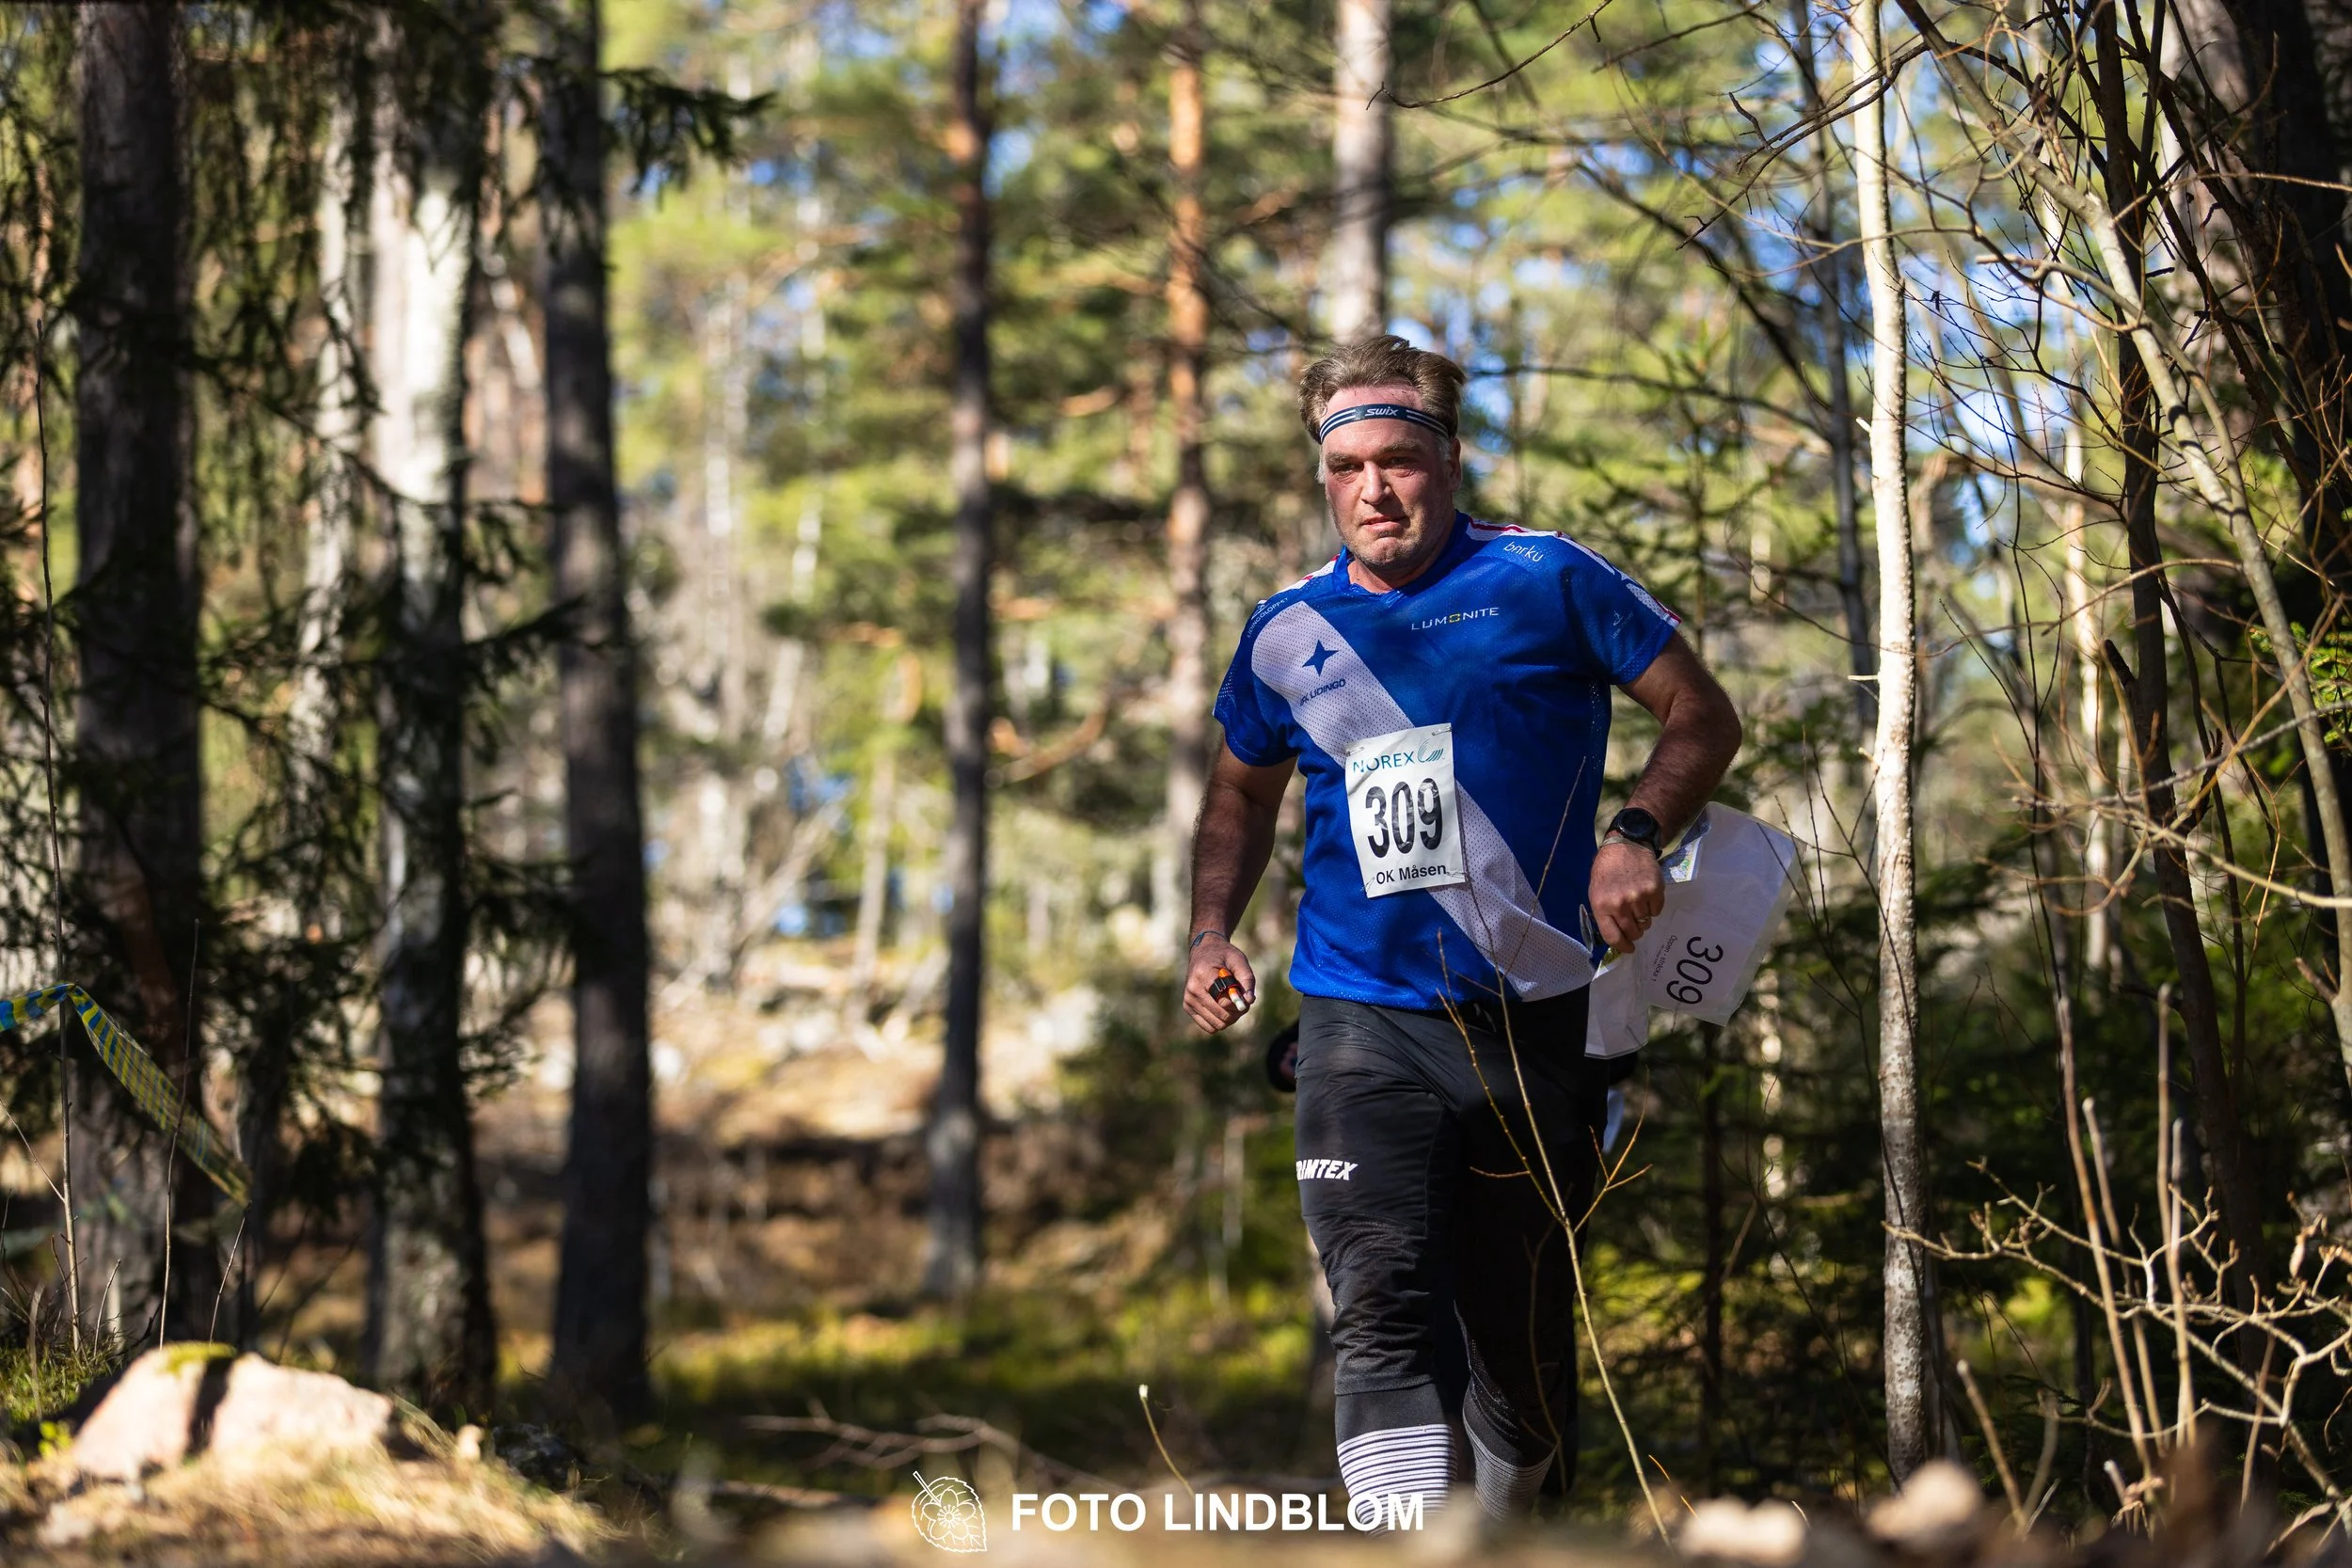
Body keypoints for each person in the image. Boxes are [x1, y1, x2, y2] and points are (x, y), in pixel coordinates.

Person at [1183, 336, 1741, 1523]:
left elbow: (1701, 711)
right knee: (1376, 1299)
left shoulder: (1547, 577)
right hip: (1355, 1016)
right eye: (1345, 467)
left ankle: (1515, 1525)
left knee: (1517, 1347)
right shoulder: (1287, 631)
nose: (1373, 490)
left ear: (1446, 454)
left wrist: (1635, 829)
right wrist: (1209, 931)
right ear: (1321, 474)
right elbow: (1238, 789)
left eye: (1398, 459)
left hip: (1530, 1019)